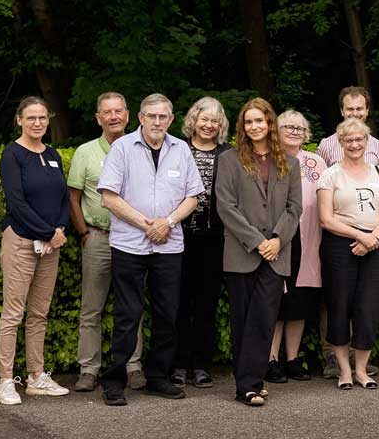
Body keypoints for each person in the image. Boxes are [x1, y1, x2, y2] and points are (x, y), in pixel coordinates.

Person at [98, 93, 204, 406]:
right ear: (141, 118)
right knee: (127, 315)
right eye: (151, 116)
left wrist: (167, 223)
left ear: (171, 120)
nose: (157, 122)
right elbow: (108, 197)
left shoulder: (181, 149)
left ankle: (157, 377)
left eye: (163, 117)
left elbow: (193, 197)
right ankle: (114, 380)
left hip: (169, 247)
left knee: (167, 315)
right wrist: (148, 225)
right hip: (129, 245)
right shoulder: (122, 148)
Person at [216, 98, 302, 406]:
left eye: (259, 121)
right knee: (242, 320)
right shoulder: (229, 160)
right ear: (243, 126)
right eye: (249, 122)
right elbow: (226, 206)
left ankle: (250, 382)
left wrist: (277, 239)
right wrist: (256, 240)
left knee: (264, 318)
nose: (254, 126)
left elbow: (295, 208)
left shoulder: (289, 162)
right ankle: (248, 384)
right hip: (242, 252)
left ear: (270, 124)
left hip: (277, 253)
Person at [0, 96, 72, 405]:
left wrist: (59, 230)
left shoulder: (52, 154)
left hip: (50, 245)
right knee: (13, 313)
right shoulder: (12, 155)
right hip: (22, 241)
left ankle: (36, 377)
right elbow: (16, 203)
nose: (38, 123)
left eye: (42, 117)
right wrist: (48, 233)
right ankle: (5, 381)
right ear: (20, 120)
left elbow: (64, 198)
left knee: (39, 313)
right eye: (31, 118)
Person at [69, 92, 146, 393]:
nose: (113, 117)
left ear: (128, 115)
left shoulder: (141, 149)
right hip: (98, 238)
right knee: (92, 308)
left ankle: (133, 366)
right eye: (107, 112)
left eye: (118, 111)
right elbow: (73, 198)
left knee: (132, 306)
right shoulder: (85, 152)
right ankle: (88, 369)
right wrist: (83, 234)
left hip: (133, 240)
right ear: (98, 118)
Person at [317, 118, 379, 390]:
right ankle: (344, 372)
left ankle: (362, 371)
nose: (354, 144)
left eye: (359, 139)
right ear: (340, 142)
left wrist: (373, 237)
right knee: (339, 306)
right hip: (340, 246)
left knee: (369, 308)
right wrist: (360, 236)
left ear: (367, 141)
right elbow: (326, 219)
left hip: (376, 245)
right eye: (348, 140)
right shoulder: (330, 175)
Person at [171, 97, 232, 389]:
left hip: (214, 238)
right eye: (204, 119)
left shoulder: (228, 153)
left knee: (207, 303)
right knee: (180, 302)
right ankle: (179, 364)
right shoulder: (177, 149)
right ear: (193, 120)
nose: (208, 125)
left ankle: (202, 365)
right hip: (178, 236)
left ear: (221, 125)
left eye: (214, 121)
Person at [266, 110, 325, 383]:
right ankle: (271, 359)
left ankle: (292, 358)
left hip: (310, 237)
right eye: (288, 127)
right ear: (276, 131)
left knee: (300, 300)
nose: (294, 131)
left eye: (299, 128)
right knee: (277, 301)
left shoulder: (316, 162)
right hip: (279, 237)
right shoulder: (269, 159)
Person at [316, 86, 379, 166]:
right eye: (350, 109)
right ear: (342, 111)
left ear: (367, 110)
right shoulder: (326, 146)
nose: (355, 114)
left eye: (359, 109)